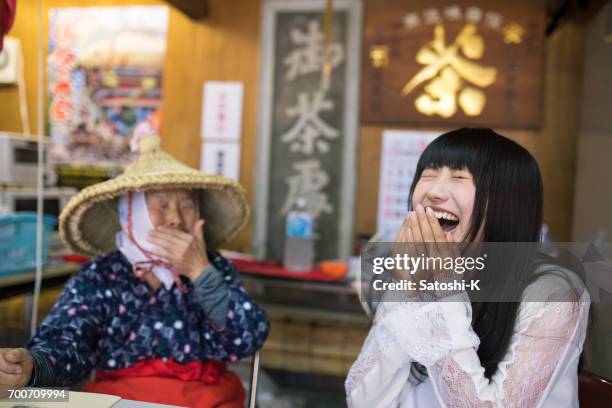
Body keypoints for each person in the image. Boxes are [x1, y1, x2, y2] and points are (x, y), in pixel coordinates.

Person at [0, 134, 269, 408]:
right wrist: (31, 367)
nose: (175, 218)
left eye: (187, 205)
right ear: (131, 214)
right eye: (162, 205)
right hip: (119, 402)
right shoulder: (101, 275)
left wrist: (200, 272)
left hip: (207, 400)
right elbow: (68, 341)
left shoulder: (214, 266)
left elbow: (245, 340)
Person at [345, 128, 590, 407]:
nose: (434, 192)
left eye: (460, 177)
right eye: (428, 174)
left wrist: (443, 289)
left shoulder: (555, 294)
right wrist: (407, 291)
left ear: (506, 201)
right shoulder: (417, 272)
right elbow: (362, 400)